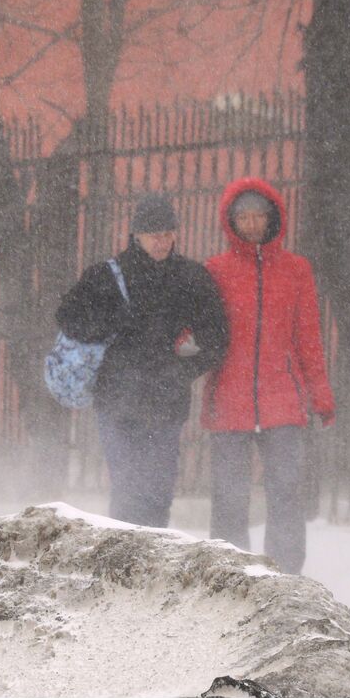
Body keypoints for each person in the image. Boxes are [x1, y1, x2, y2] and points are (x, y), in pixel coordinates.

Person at [56, 193, 229, 527]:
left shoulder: (190, 278)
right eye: (153, 235)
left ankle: (151, 561)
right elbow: (67, 316)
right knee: (127, 488)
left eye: (167, 234)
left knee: (159, 491)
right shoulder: (107, 275)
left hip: (166, 402)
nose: (161, 242)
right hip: (117, 401)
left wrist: (183, 370)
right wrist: (110, 326)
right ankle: (126, 563)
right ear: (136, 234)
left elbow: (216, 337)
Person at [201, 178, 334, 574]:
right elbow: (201, 333)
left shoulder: (296, 270)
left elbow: (308, 336)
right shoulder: (214, 271)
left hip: (283, 401)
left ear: (274, 216)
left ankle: (286, 576)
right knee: (228, 498)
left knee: (287, 494)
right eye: (244, 216)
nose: (253, 223)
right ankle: (228, 575)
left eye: (260, 215)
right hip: (229, 399)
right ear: (230, 220)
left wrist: (320, 393)